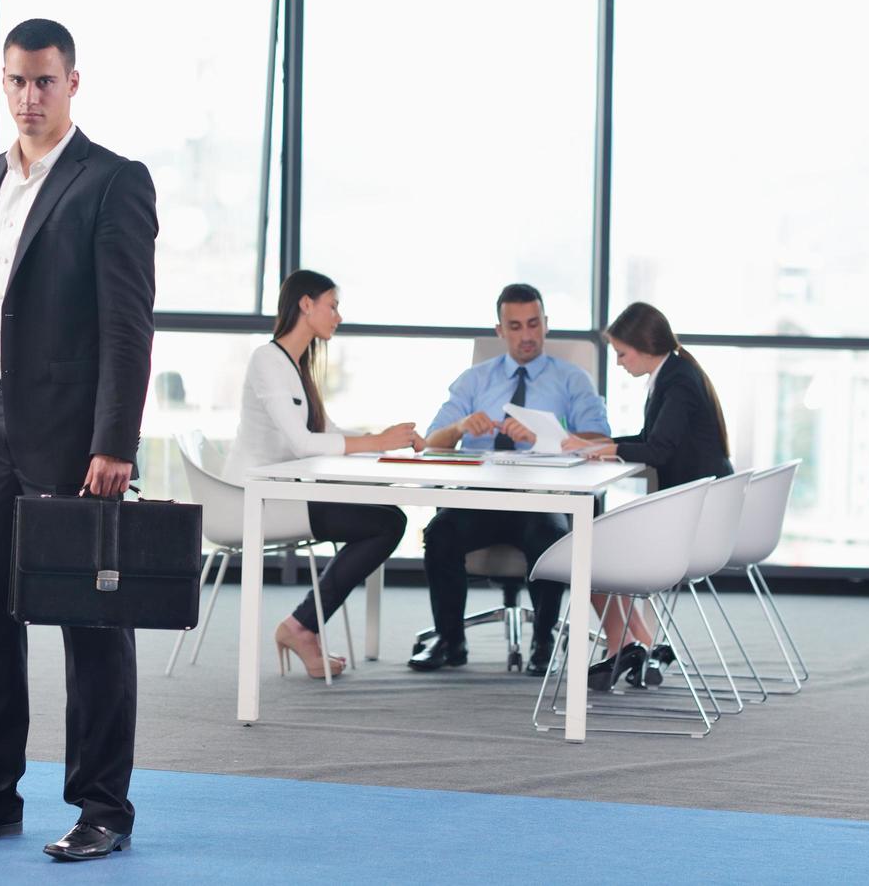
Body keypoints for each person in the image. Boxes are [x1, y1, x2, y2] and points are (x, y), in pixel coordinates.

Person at [0, 19, 157, 863]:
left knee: (91, 625)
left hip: (73, 442)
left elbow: (127, 328)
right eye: (15, 81)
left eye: (44, 81)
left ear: (73, 83)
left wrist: (113, 442)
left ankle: (102, 810)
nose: (28, 97)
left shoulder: (112, 182)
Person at [223, 270, 423, 680]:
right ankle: (301, 627)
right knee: (387, 523)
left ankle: (302, 625)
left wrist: (385, 440)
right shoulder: (268, 360)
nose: (338, 315)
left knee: (386, 517)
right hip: (255, 502)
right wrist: (375, 442)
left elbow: (325, 433)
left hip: (282, 495)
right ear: (306, 304)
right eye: (333, 305)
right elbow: (303, 444)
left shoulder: (295, 365)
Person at [409, 284, 609, 676]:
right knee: (441, 533)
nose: (526, 335)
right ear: (500, 330)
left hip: (540, 499)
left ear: (546, 325)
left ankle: (543, 641)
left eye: (533, 324)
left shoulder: (572, 379)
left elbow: (601, 442)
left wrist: (543, 439)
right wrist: (461, 427)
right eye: (515, 326)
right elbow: (430, 443)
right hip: (482, 497)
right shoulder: (474, 380)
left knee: (548, 535)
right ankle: (450, 640)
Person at [566, 300, 733, 688]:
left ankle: (626, 646)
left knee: (589, 547)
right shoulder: (675, 373)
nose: (620, 362)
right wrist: (601, 445)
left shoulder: (677, 381)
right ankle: (634, 645)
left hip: (695, 523)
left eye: (622, 353)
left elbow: (658, 451)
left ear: (643, 346)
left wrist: (608, 450)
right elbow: (650, 440)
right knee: (598, 543)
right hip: (696, 513)